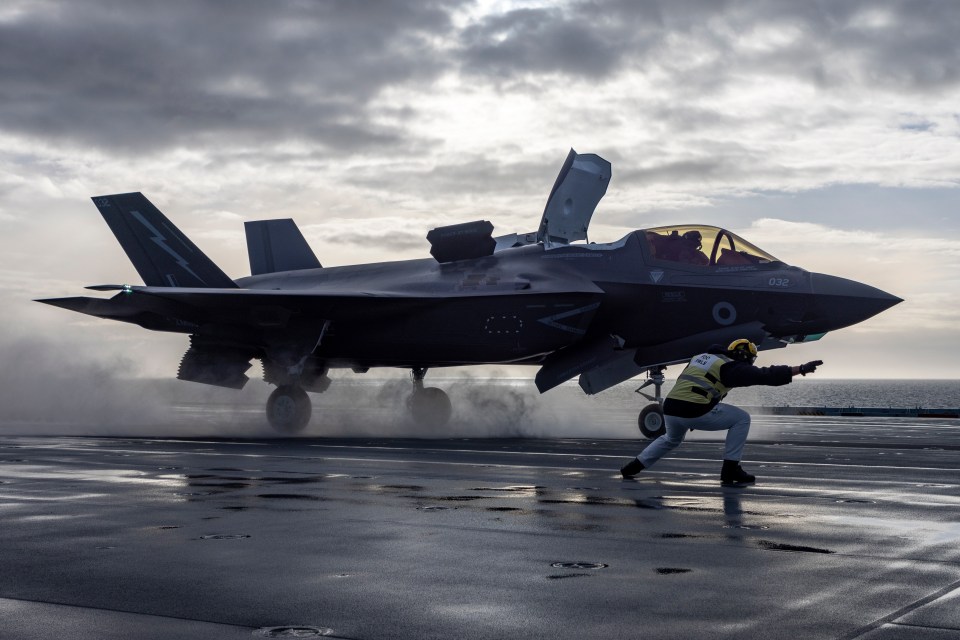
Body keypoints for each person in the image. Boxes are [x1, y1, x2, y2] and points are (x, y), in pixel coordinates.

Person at [620, 339, 823, 486]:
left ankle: (634, 466)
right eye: (749, 360)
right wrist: (801, 369)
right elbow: (765, 375)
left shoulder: (701, 358)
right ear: (744, 357)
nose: (748, 365)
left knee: (671, 439)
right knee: (742, 419)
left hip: (671, 409)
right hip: (694, 409)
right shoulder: (730, 367)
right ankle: (730, 469)